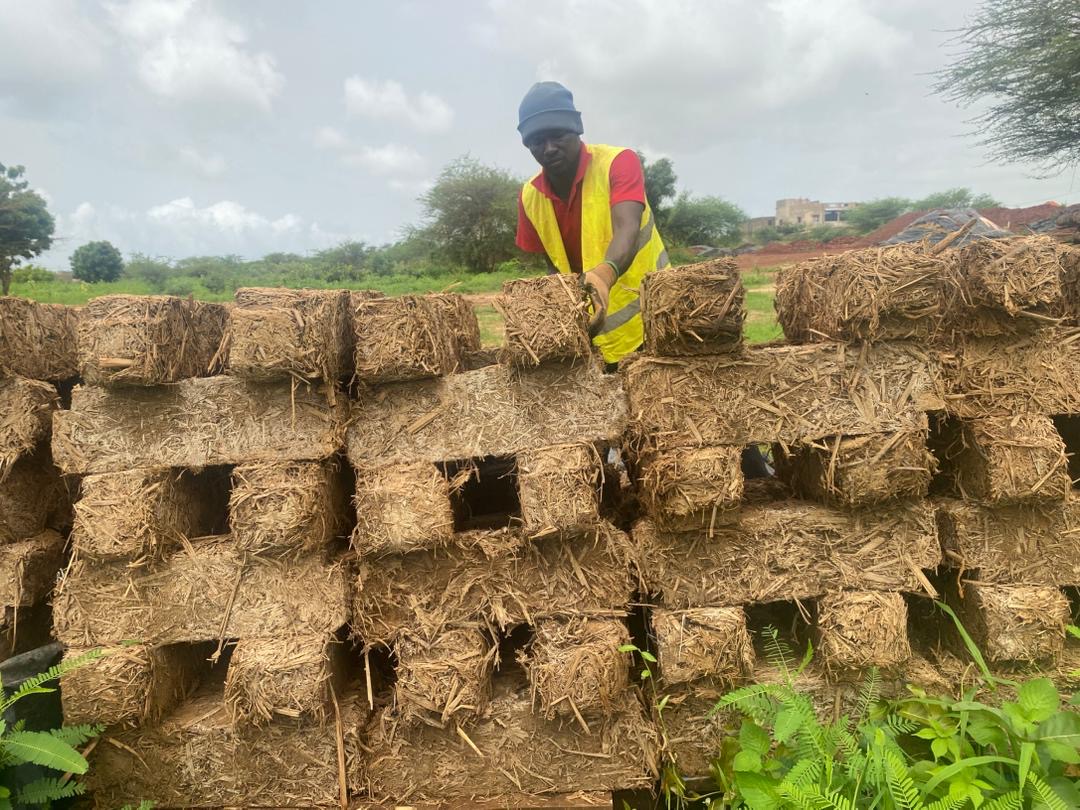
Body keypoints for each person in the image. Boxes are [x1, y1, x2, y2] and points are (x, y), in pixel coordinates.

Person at [515, 81, 670, 367]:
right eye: (537, 141)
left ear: (576, 129)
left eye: (557, 135)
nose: (548, 148)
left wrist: (603, 275)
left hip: (652, 322)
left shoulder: (618, 163)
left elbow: (628, 229)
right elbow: (553, 265)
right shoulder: (529, 196)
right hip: (592, 334)